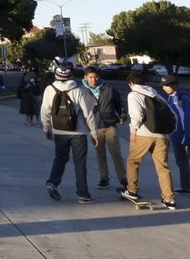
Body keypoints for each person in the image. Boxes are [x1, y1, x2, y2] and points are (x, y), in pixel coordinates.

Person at [40, 63, 99, 203]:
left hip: (59, 131)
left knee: (60, 158)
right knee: (80, 163)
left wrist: (46, 128)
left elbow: (45, 111)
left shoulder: (50, 89)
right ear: (70, 75)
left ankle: (52, 183)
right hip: (77, 132)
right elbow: (88, 114)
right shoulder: (78, 90)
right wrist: (94, 133)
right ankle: (83, 194)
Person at [121, 72, 177, 209]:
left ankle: (132, 190)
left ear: (131, 83)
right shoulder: (156, 95)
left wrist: (133, 131)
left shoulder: (133, 94)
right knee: (163, 167)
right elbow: (173, 115)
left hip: (143, 134)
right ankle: (169, 198)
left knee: (133, 161)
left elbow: (137, 116)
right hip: (162, 136)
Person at [160, 75, 190, 197]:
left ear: (175, 85)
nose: (164, 88)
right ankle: (185, 186)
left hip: (188, 137)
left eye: (167, 85)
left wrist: (188, 136)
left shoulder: (182, 98)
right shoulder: (170, 98)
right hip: (176, 137)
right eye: (163, 86)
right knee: (181, 162)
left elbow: (188, 119)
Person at [81, 68, 127, 190]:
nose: (93, 80)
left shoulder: (108, 88)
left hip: (110, 124)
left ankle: (123, 178)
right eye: (90, 77)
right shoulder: (81, 91)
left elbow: (119, 103)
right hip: (94, 127)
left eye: (95, 77)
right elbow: (79, 109)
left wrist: (122, 115)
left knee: (116, 153)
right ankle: (104, 178)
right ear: (85, 77)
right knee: (100, 154)